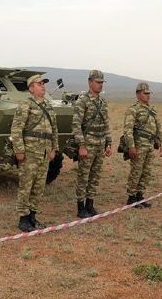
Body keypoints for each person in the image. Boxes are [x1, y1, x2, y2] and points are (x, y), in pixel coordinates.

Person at [10, 74, 59, 232]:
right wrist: (19, 150)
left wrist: (54, 149)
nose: (43, 86)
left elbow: (54, 130)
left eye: (43, 83)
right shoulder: (26, 105)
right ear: (31, 88)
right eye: (39, 84)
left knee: (39, 187)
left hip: (44, 153)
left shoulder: (48, 106)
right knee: (26, 186)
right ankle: (23, 219)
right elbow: (17, 129)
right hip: (30, 153)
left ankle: (32, 216)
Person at [72, 70, 112, 218]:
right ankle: (80, 207)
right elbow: (76, 125)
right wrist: (81, 145)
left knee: (95, 176)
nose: (100, 85)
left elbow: (106, 123)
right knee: (83, 176)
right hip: (87, 144)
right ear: (90, 82)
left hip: (100, 143)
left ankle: (90, 204)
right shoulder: (82, 100)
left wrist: (109, 143)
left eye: (102, 83)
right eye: (98, 82)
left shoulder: (102, 102)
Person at [123, 82, 162, 208]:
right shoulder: (133, 109)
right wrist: (131, 146)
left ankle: (140, 196)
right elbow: (128, 130)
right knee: (136, 171)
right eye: (145, 93)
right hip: (138, 145)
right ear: (138, 94)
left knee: (146, 172)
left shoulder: (152, 110)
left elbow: (158, 128)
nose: (148, 96)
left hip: (150, 145)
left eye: (148, 93)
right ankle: (131, 198)